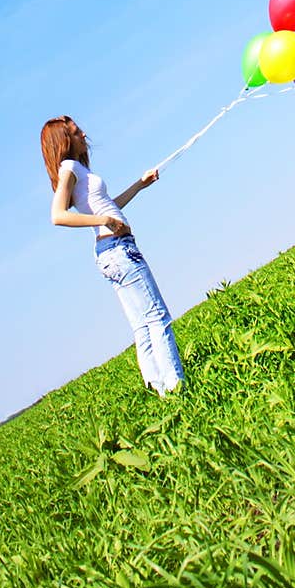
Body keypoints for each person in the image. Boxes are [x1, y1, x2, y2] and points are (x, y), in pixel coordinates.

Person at [39, 115, 185, 398]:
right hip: (119, 249)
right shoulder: (69, 167)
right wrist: (106, 220)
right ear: (65, 141)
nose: (84, 133)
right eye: (76, 131)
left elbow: (109, 205)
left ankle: (159, 391)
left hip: (110, 253)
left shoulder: (78, 170)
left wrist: (139, 185)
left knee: (142, 326)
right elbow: (58, 216)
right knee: (157, 317)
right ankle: (176, 387)